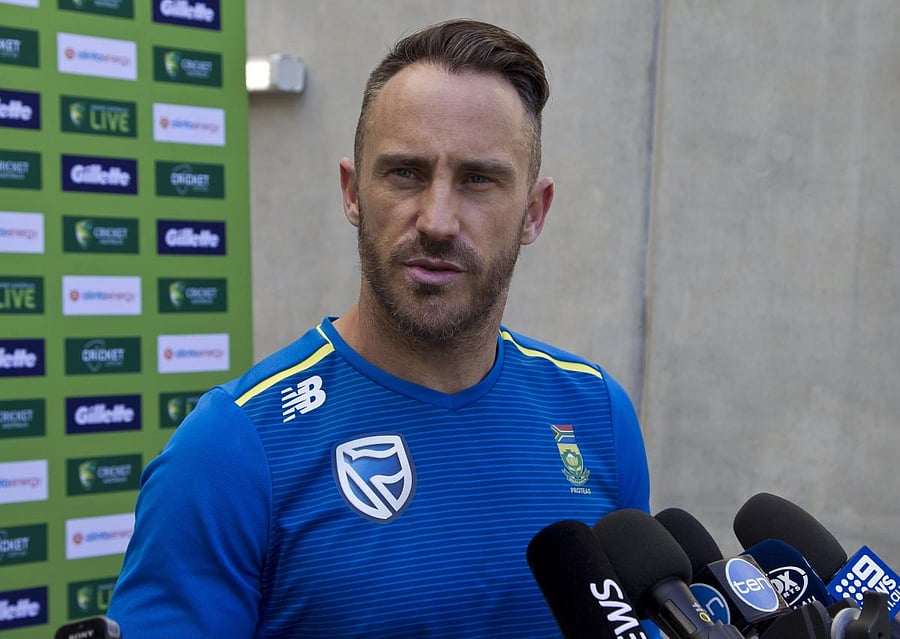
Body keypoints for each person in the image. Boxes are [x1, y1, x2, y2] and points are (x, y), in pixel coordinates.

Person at [107, 18, 653, 638]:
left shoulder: (597, 414)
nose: (438, 219)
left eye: (478, 179)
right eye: (405, 173)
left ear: (533, 212)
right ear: (352, 193)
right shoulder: (230, 448)